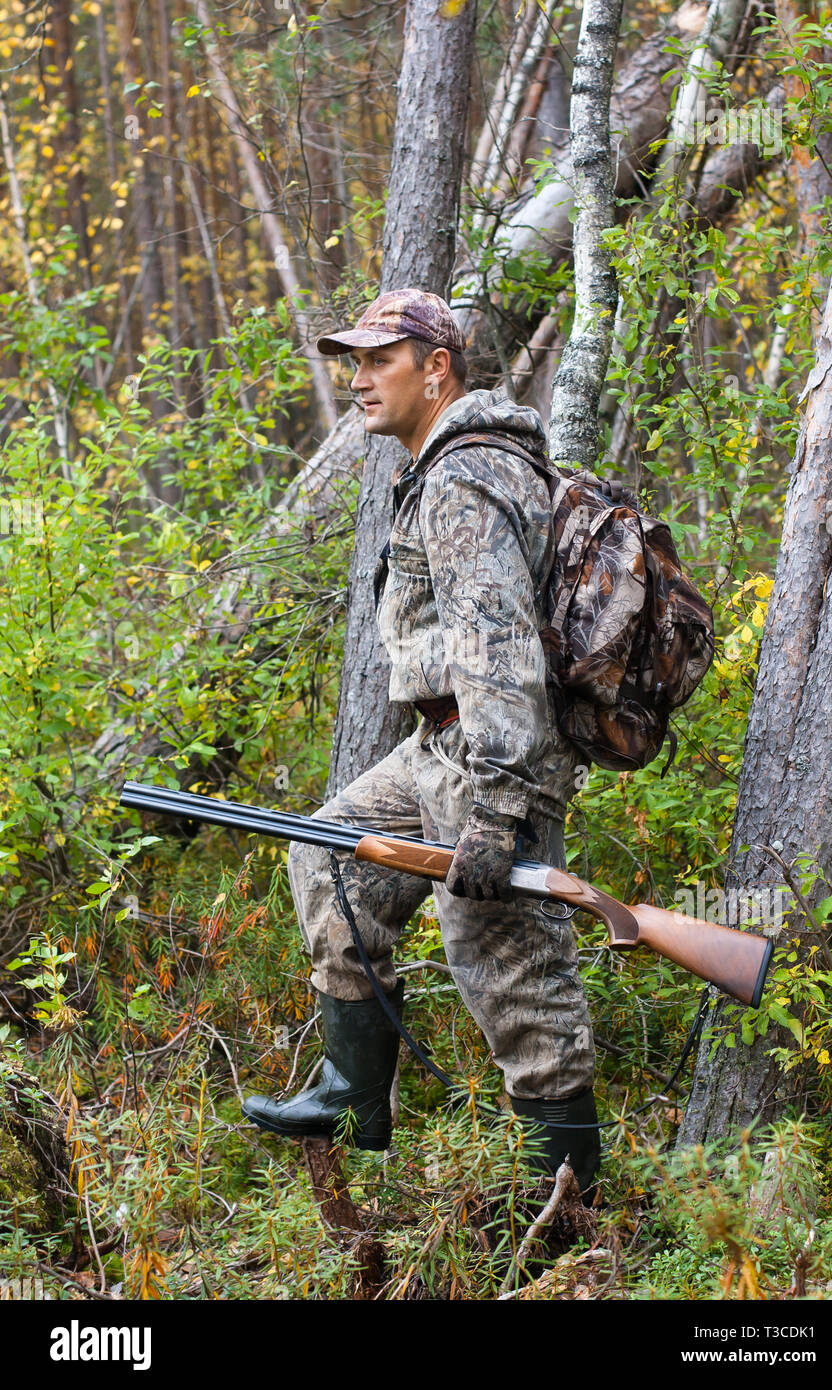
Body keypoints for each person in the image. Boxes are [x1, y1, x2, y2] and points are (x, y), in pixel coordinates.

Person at [242, 288, 600, 1192]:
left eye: (378, 362)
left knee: (514, 976)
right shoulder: (438, 466)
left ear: (435, 369)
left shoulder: (465, 478)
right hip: (438, 746)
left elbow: (499, 648)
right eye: (352, 362)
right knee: (330, 859)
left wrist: (500, 808)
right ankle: (352, 1095)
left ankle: (563, 1215)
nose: (357, 380)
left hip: (488, 758)